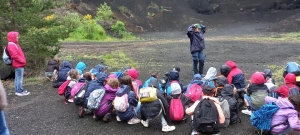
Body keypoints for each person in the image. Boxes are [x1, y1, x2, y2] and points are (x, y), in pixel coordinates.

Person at [6, 31, 30, 96]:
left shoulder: (13, 44)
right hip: (18, 64)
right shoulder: (11, 45)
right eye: (16, 36)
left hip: (18, 63)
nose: (17, 37)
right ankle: (19, 91)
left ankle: (18, 90)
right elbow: (14, 55)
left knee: (17, 78)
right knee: (19, 78)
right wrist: (22, 61)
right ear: (13, 37)